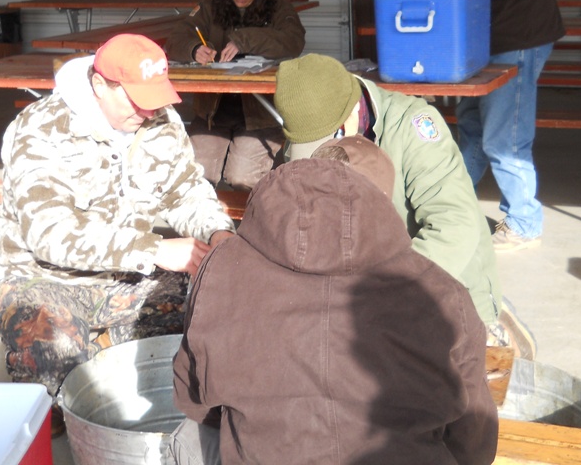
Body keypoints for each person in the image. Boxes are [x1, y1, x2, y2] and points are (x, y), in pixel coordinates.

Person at [171, 136, 498, 465]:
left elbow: (192, 398)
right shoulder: (441, 292)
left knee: (188, 439)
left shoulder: (222, 273)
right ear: (381, 201)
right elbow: (474, 437)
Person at [0, 33, 236, 429]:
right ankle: (78, 366)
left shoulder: (159, 119)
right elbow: (49, 234)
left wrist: (219, 234)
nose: (147, 111)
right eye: (135, 98)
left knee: (210, 304)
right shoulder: (41, 128)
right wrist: (152, 250)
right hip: (40, 279)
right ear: (99, 85)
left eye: (154, 97)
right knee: (55, 354)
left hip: (122, 279)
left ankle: (102, 346)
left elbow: (185, 190)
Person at [273, 53, 533, 358]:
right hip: (367, 275)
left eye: (324, 143)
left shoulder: (414, 127)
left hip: (439, 275)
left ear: (352, 115)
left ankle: (493, 320)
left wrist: (382, 293)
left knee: (453, 384)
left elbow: (455, 226)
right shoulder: (311, 125)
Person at [409, 0, 565, 251]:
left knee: (504, 137)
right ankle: (448, 205)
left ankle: (524, 222)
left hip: (517, 39)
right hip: (483, 42)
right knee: (473, 129)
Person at [165, 0, 305, 190]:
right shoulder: (210, 7)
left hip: (260, 114)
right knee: (198, 178)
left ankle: (254, 224)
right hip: (212, 113)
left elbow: (294, 42)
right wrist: (193, 48)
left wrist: (244, 40)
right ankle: (209, 226)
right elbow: (176, 38)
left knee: (242, 178)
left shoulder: (280, 10)